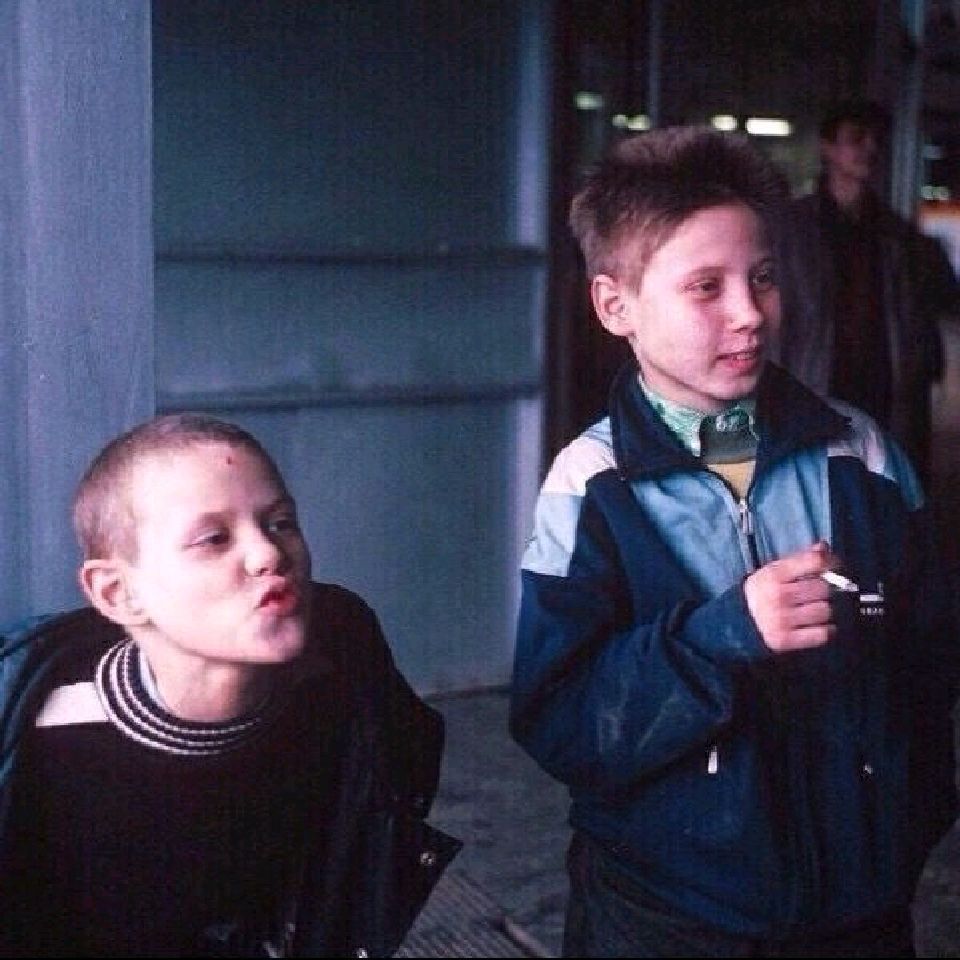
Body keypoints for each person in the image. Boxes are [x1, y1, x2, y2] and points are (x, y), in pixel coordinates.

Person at [509, 125, 959, 957]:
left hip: (858, 910)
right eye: (705, 287)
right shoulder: (591, 486)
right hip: (667, 917)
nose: (751, 314)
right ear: (615, 306)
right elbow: (560, 720)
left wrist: (905, 823)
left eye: (764, 277)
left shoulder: (859, 454)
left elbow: (933, 658)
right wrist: (722, 636)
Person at [0, 413, 460, 958]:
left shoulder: (346, 674)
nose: (269, 554)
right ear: (119, 593)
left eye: (281, 522)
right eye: (213, 539)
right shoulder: (40, 736)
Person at [776, 98, 952, 484]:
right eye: (856, 138)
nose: (869, 148)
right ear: (827, 148)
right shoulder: (791, 229)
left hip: (883, 391)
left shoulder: (898, 235)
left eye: (875, 140)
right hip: (815, 383)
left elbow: (918, 318)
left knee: (878, 492)